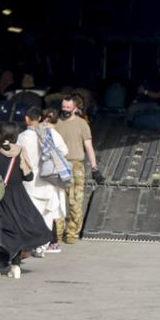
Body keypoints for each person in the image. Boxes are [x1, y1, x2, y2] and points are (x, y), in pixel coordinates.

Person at [0, 122, 52, 279]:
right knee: (17, 229)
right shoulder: (20, 152)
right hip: (17, 196)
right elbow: (28, 176)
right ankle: (15, 266)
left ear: (0, 136)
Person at [18, 107, 68, 253]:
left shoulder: (23, 137)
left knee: (31, 214)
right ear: (39, 118)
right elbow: (64, 151)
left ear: (27, 119)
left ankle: (31, 244)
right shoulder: (50, 133)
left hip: (30, 181)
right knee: (47, 213)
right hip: (48, 180)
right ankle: (43, 245)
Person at [55, 94, 102, 244]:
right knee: (57, 201)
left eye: (68, 108)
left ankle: (72, 233)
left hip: (75, 165)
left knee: (75, 200)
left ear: (75, 108)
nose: (65, 110)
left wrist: (94, 168)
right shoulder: (56, 123)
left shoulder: (82, 124)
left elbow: (88, 146)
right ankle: (57, 233)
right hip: (57, 164)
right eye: (63, 107)